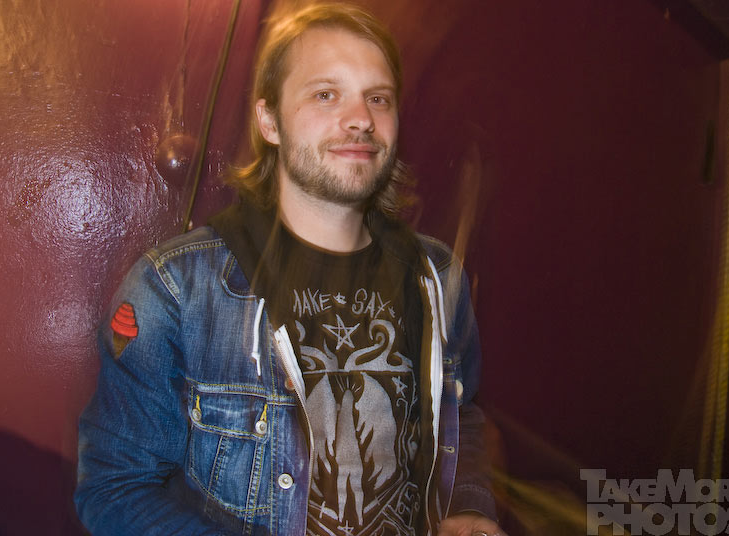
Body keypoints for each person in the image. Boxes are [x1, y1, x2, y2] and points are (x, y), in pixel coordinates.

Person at [74, 3, 503, 535]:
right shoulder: (175, 289)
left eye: (378, 98)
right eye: (326, 94)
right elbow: (115, 488)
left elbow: (462, 416)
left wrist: (468, 504)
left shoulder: (438, 277)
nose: (361, 119)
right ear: (269, 121)